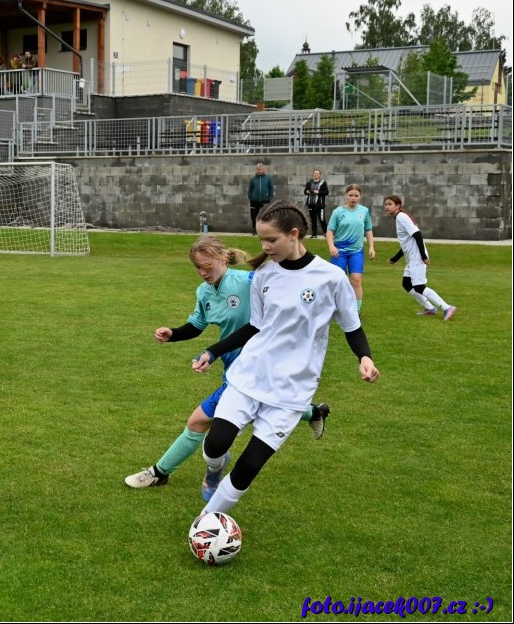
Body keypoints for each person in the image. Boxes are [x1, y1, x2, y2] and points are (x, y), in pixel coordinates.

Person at [192, 201, 379, 517]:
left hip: (292, 389)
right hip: (251, 375)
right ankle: (214, 468)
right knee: (214, 445)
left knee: (249, 466)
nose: (265, 247)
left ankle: (207, 522)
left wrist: (365, 358)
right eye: (261, 240)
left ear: (294, 234)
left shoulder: (331, 278)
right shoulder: (265, 273)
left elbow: (353, 327)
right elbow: (255, 326)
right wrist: (214, 351)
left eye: (271, 240)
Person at [125, 236, 331, 499]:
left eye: (207, 266)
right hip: (235, 371)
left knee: (198, 420)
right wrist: (173, 334)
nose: (202, 273)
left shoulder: (248, 282)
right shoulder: (204, 292)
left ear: (223, 258)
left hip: (258, 370)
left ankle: (160, 472)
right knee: (268, 408)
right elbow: (197, 325)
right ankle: (314, 413)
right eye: (197, 268)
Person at [384, 195, 457, 321]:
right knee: (407, 284)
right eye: (385, 204)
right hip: (411, 257)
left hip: (417, 257)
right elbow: (407, 242)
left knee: (418, 286)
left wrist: (423, 256)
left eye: (390, 204)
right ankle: (429, 308)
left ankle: (446, 307)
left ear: (397, 206)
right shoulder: (399, 218)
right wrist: (395, 258)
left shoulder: (401, 217)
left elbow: (417, 234)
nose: (387, 206)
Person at [326, 183, 375, 312]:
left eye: (356, 195)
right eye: (350, 195)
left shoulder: (364, 211)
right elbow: (330, 231)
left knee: (356, 279)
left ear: (360, 196)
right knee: (338, 281)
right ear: (346, 196)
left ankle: (356, 311)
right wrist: (331, 246)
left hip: (356, 251)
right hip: (339, 252)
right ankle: (336, 308)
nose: (353, 198)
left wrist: (371, 247)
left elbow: (368, 230)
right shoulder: (338, 211)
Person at [247, 163, 274, 232]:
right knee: (254, 216)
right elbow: (250, 189)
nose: (259, 171)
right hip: (254, 201)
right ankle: (254, 229)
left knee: (266, 216)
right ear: (256, 170)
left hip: (265, 201)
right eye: (258, 169)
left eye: (261, 169)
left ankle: (265, 230)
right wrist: (251, 198)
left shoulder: (268, 178)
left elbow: (271, 188)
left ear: (263, 169)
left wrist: (270, 197)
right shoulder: (253, 179)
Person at [303, 169, 329, 238]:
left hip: (320, 205)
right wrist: (307, 192)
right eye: (314, 173)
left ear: (320, 175)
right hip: (311, 204)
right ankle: (314, 234)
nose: (316, 175)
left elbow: (326, 192)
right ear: (313, 174)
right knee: (313, 220)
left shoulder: (323, 183)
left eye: (317, 173)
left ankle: (326, 233)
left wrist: (318, 192)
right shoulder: (309, 183)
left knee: (322, 219)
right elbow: (305, 191)